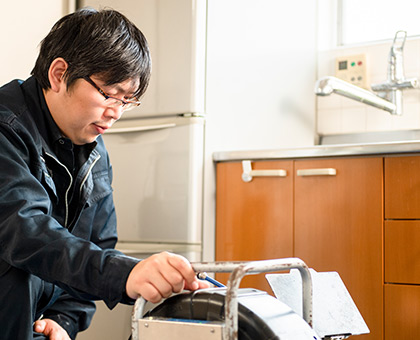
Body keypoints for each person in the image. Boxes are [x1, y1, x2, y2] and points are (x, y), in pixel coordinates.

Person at [0, 7, 207, 340]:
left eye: (127, 100)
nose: (115, 113)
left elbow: (97, 244)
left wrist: (64, 320)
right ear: (58, 74)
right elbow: (25, 232)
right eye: (109, 94)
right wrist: (125, 273)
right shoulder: (5, 129)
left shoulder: (93, 148)